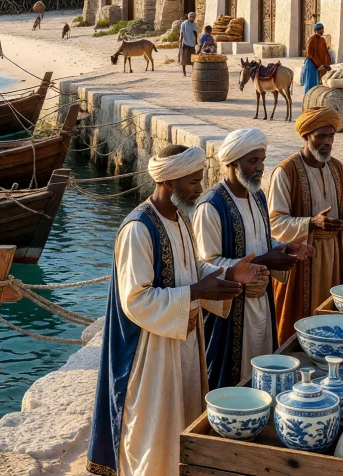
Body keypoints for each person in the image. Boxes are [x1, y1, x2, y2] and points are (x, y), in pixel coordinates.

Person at [88, 145, 267, 476]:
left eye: (199, 181)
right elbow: (135, 299)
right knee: (153, 433)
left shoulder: (180, 219)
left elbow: (191, 270)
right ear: (168, 182)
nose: (199, 190)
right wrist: (198, 292)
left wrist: (229, 274)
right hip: (149, 353)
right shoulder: (138, 229)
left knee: (181, 418)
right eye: (192, 182)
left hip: (183, 341)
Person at [194, 128, 315, 388]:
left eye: (262, 159)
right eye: (253, 161)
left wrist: (285, 249)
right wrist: (266, 260)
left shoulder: (258, 195)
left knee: (263, 364)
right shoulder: (211, 206)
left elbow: (262, 241)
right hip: (230, 312)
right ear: (233, 163)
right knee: (229, 377)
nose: (260, 167)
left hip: (261, 301)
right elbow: (205, 264)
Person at [267, 107, 343, 345]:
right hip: (301, 263)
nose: (327, 142)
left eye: (331, 136)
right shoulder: (285, 172)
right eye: (321, 136)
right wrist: (310, 223)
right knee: (295, 326)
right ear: (306, 135)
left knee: (331, 320)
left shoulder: (337, 168)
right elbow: (274, 223)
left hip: (333, 257)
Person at [300, 23, 331, 93]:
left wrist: (325, 63)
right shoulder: (311, 39)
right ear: (317, 30)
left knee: (317, 84)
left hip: (319, 65)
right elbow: (310, 54)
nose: (323, 31)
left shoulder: (322, 40)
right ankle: (307, 99)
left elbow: (325, 53)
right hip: (311, 64)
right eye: (321, 30)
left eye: (323, 30)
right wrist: (318, 64)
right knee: (310, 83)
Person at [178, 11, 199, 77]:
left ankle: (193, 72)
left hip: (192, 43)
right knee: (184, 59)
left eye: (194, 17)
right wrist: (180, 43)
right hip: (185, 43)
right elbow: (182, 33)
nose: (192, 18)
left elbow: (195, 34)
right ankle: (184, 73)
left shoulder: (195, 25)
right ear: (189, 17)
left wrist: (196, 42)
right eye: (191, 17)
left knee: (193, 59)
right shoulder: (184, 24)